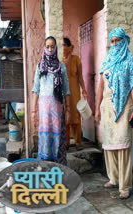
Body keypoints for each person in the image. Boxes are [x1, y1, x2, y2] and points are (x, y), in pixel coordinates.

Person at [95, 28, 133, 199]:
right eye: (112, 41)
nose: (114, 44)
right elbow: (101, 86)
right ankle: (113, 178)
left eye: (117, 40)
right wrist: (97, 107)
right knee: (109, 145)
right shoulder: (107, 59)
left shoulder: (129, 60)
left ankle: (125, 185)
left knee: (124, 145)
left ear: (124, 40)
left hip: (125, 106)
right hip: (107, 107)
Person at [31, 36, 71, 165]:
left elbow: (66, 90)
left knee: (57, 137)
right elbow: (35, 89)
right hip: (43, 111)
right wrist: (33, 111)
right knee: (45, 139)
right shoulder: (40, 67)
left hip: (57, 110)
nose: (49, 49)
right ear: (44, 48)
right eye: (47, 47)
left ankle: (58, 170)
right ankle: (45, 168)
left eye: (52, 47)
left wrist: (69, 109)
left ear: (56, 48)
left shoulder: (61, 67)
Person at [62, 37, 88, 151]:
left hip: (74, 92)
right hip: (62, 93)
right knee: (64, 117)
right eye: (61, 45)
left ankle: (78, 142)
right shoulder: (59, 61)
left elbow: (80, 76)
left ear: (69, 47)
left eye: (64, 45)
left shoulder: (76, 59)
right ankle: (66, 143)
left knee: (75, 116)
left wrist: (84, 89)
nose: (63, 47)